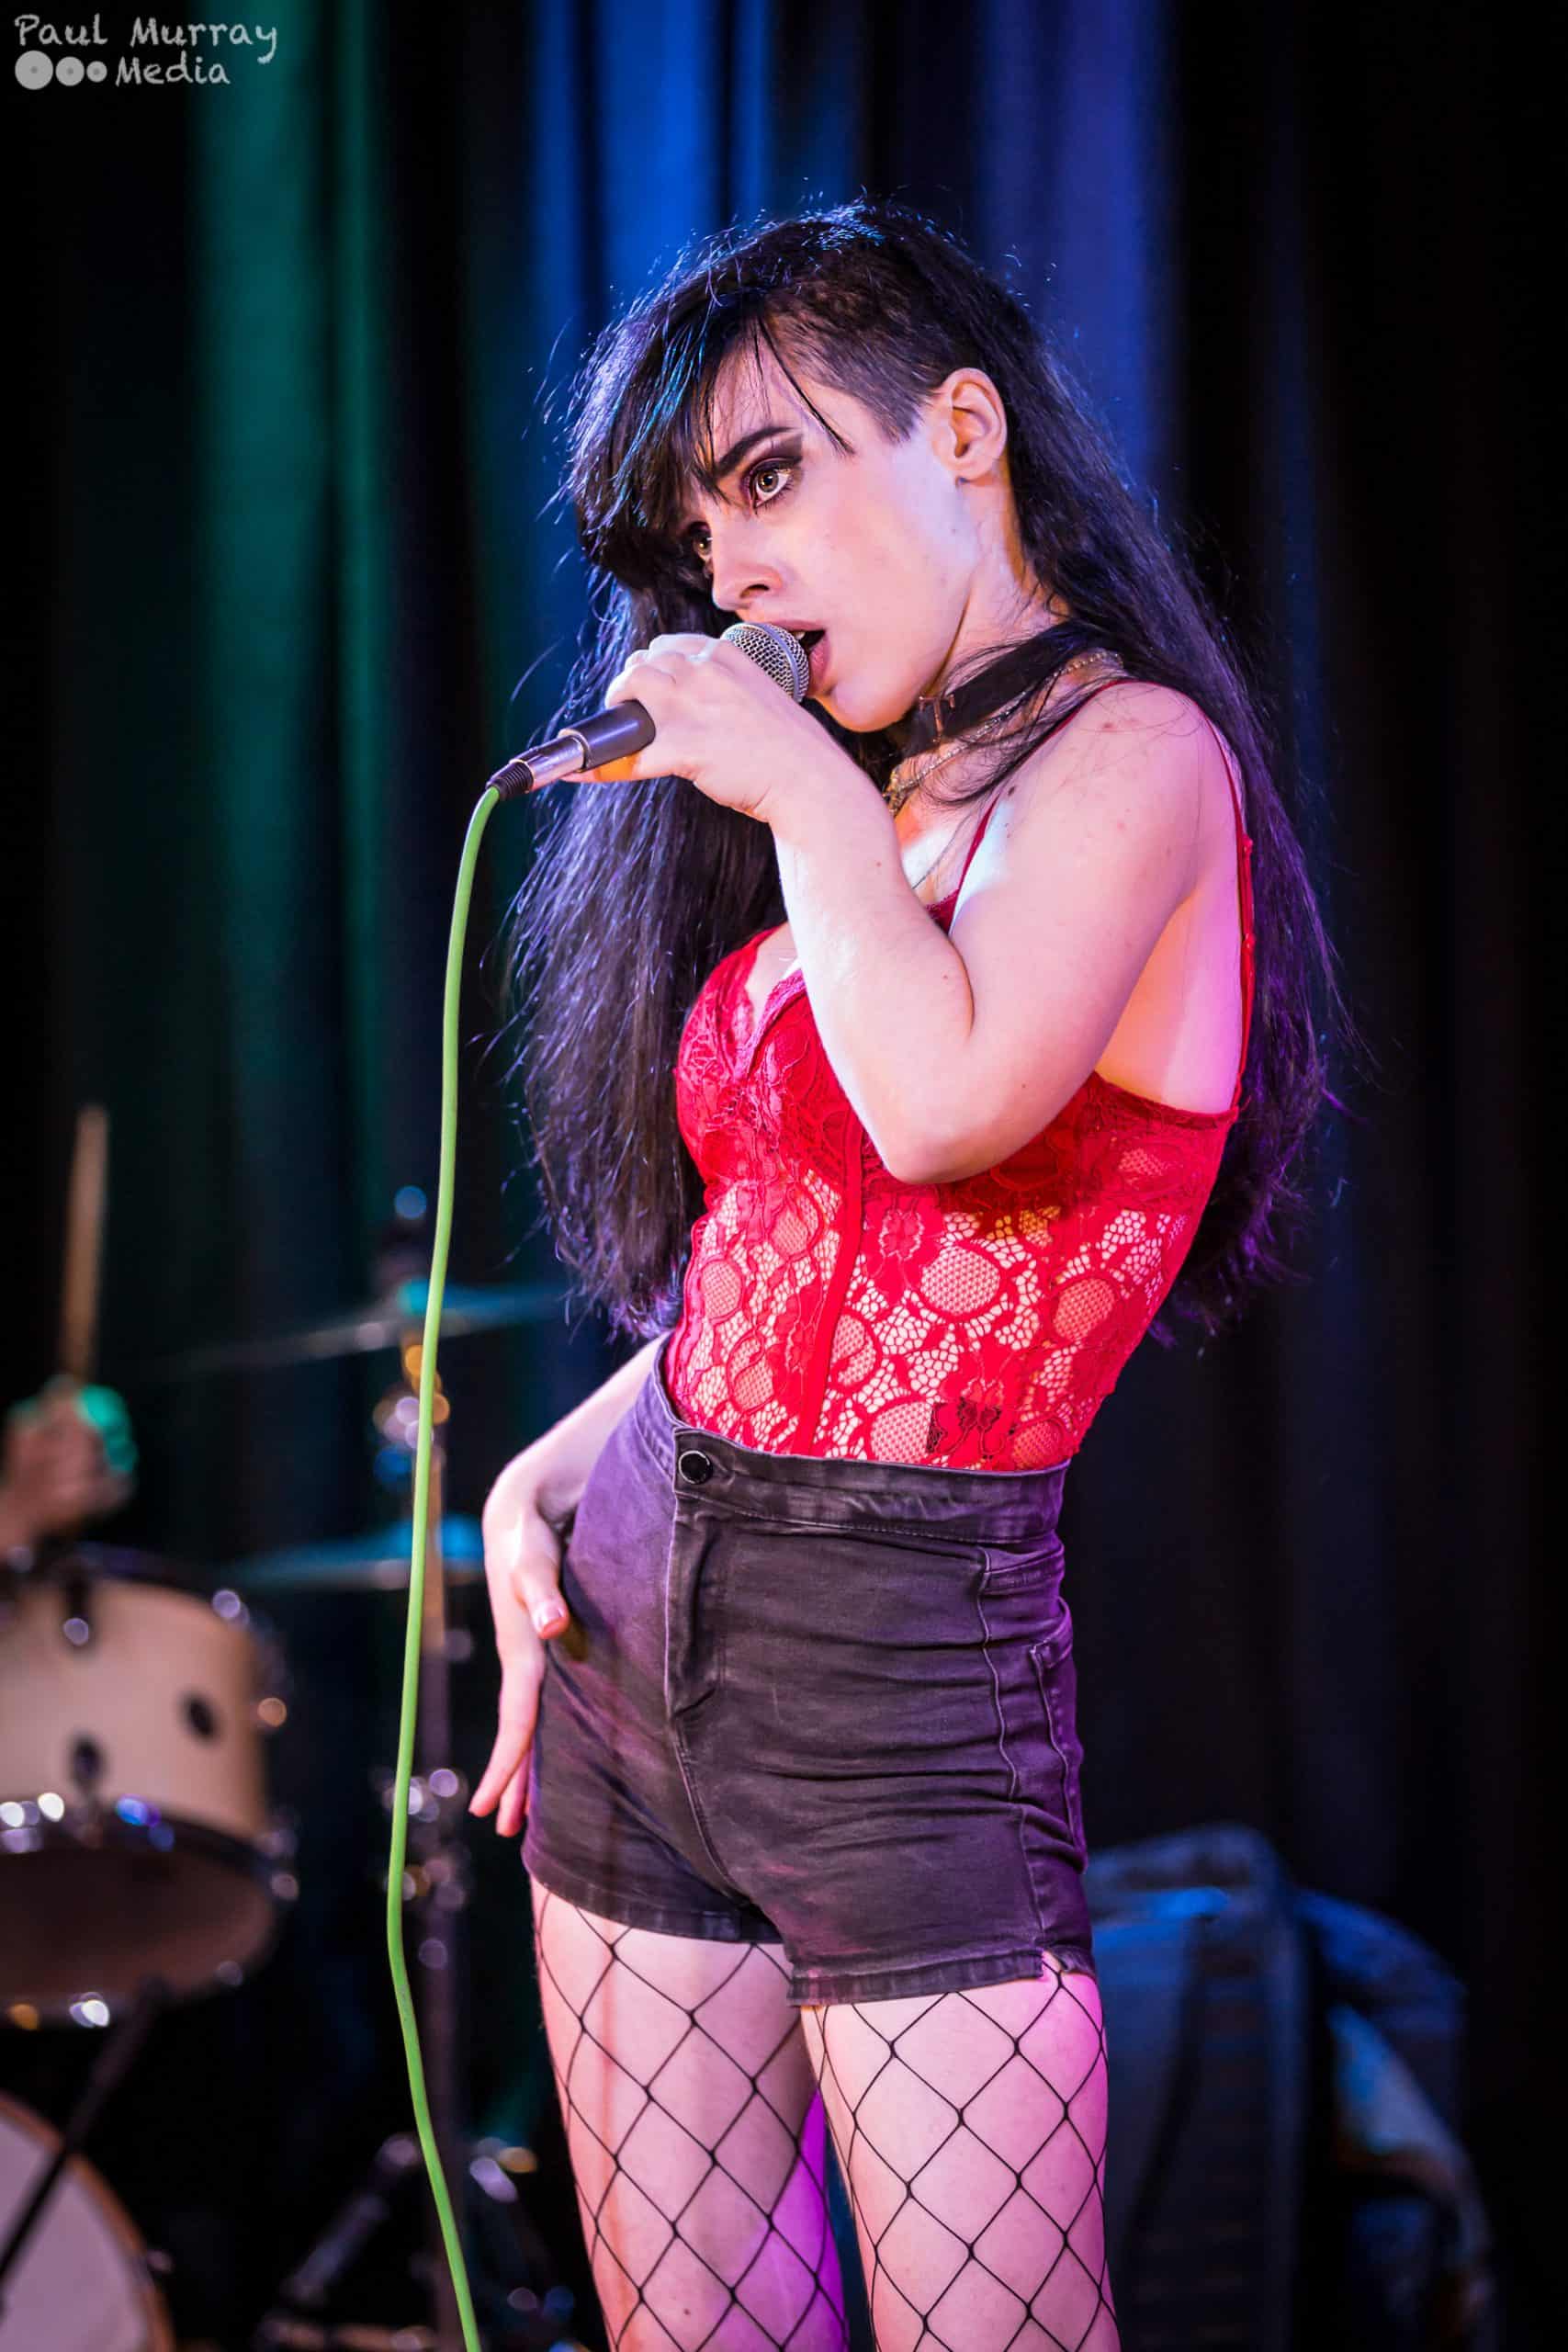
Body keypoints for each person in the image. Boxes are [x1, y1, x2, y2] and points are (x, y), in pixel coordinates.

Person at [470, 198, 1344, 2352]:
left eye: (767, 478)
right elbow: (791, 1243)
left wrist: (795, 795)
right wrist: (551, 1462)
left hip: (893, 1662)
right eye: (698, 542)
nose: (736, 577)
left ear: (962, 430)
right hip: (632, 1609)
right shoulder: (874, 809)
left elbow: (944, 1107)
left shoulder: (1129, 763)